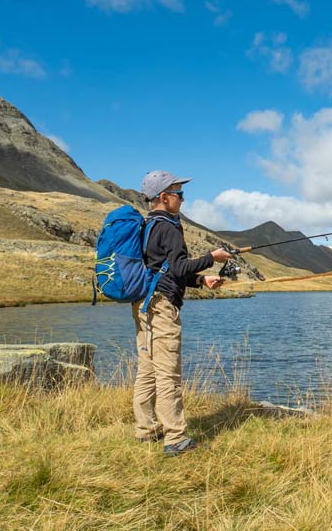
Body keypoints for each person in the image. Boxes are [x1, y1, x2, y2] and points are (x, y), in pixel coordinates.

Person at [132, 170, 232, 456]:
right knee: (168, 374)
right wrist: (211, 258)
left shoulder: (148, 225)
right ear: (164, 197)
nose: (183, 199)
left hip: (143, 303)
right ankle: (175, 439)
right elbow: (178, 268)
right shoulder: (170, 226)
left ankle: (146, 430)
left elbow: (166, 269)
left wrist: (202, 280)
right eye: (179, 194)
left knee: (148, 370)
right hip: (162, 306)